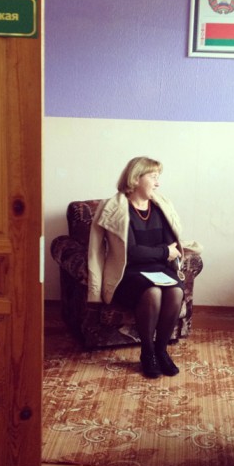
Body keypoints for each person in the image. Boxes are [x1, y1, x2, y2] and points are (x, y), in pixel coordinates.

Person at [88, 156, 185, 379]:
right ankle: (147, 353)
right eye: (153, 177)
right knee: (152, 292)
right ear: (136, 178)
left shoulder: (161, 206)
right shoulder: (116, 208)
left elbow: (171, 244)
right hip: (128, 272)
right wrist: (162, 251)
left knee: (176, 292)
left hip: (159, 269)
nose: (158, 183)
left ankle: (161, 351)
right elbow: (131, 252)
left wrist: (160, 252)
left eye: (158, 177)